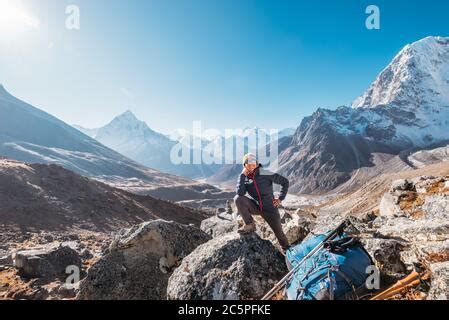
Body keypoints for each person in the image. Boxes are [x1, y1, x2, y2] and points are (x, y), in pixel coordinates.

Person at [234, 153, 290, 251]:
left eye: (254, 162)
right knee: (238, 198)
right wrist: (242, 175)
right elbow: (240, 193)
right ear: (244, 165)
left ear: (257, 163)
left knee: (279, 234)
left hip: (270, 208)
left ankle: (287, 250)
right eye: (248, 162)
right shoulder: (245, 177)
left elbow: (285, 182)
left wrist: (280, 198)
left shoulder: (265, 173)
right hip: (256, 207)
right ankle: (250, 224)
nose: (252, 164)